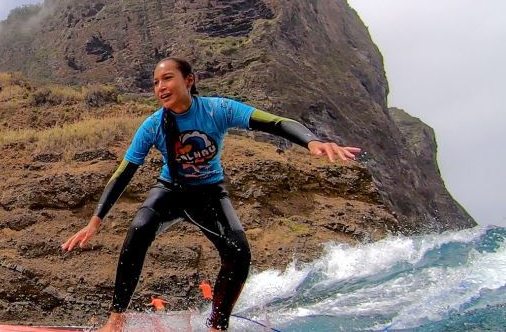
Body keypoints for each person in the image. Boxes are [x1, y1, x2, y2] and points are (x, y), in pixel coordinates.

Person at [60, 57, 360, 331]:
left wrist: (311, 142)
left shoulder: (218, 110)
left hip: (209, 194)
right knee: (138, 229)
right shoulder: (153, 125)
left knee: (239, 252)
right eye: (155, 82)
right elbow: (124, 172)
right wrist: (96, 220)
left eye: (167, 78)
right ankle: (116, 319)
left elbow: (277, 123)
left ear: (189, 80)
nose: (160, 87)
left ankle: (217, 326)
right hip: (170, 192)